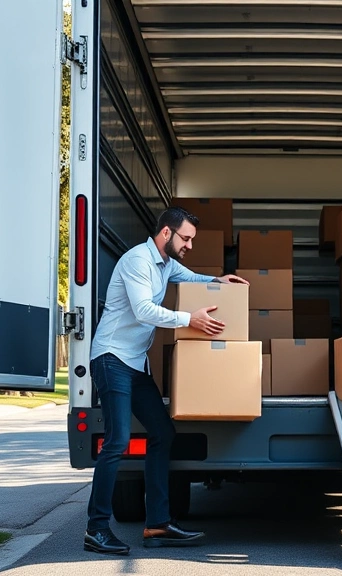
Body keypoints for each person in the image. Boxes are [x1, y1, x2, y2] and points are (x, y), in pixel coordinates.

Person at [84, 206, 248, 555]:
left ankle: (158, 524)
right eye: (186, 238)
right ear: (166, 234)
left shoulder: (166, 263)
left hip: (136, 363)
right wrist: (191, 319)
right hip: (112, 358)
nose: (189, 244)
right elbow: (143, 309)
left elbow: (189, 276)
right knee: (117, 441)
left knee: (162, 432)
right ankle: (96, 529)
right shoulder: (137, 261)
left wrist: (218, 280)